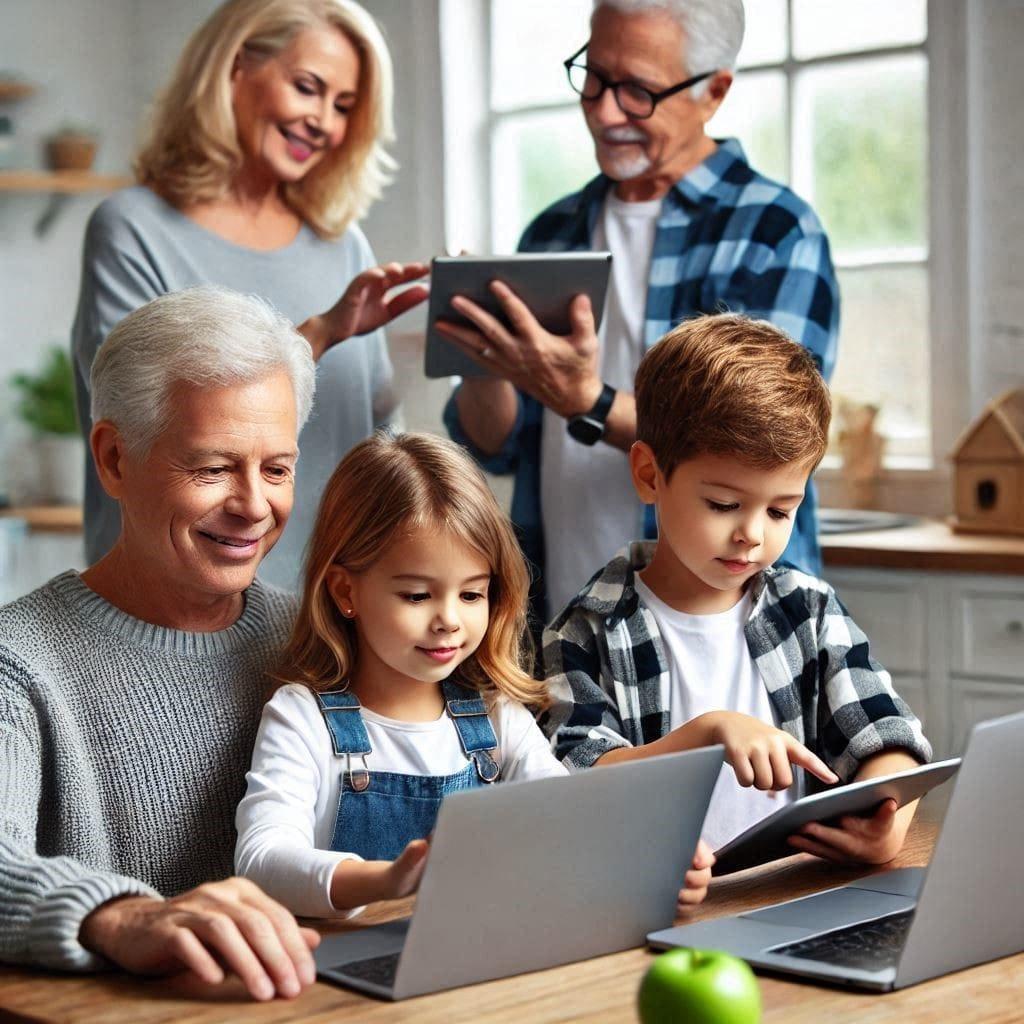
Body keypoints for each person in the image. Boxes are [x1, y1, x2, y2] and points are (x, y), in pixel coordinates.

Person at [439, 0, 839, 623]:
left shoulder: (775, 231)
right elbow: (498, 449)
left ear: (714, 91)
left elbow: (759, 445)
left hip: (728, 619)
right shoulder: (552, 232)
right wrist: (485, 356)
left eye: (636, 90)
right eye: (594, 77)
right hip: (562, 609)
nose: (603, 110)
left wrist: (586, 400)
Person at [0, 287, 322, 1001]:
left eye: (277, 468)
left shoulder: (318, 638)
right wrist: (119, 915)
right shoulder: (16, 663)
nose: (253, 506)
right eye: (212, 468)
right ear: (114, 458)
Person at [541, 314, 932, 863]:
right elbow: (572, 778)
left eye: (780, 510)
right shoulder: (586, 630)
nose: (752, 534)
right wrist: (706, 735)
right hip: (658, 909)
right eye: (724, 505)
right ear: (650, 475)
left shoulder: (807, 609)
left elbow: (888, 735)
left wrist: (889, 820)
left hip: (793, 894)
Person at [71, 0, 428, 588]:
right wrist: (317, 337)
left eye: (343, 106)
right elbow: (135, 417)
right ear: (235, 69)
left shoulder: (343, 246)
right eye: (308, 87)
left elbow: (379, 432)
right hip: (177, 610)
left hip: (327, 614)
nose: (324, 121)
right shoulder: (134, 228)